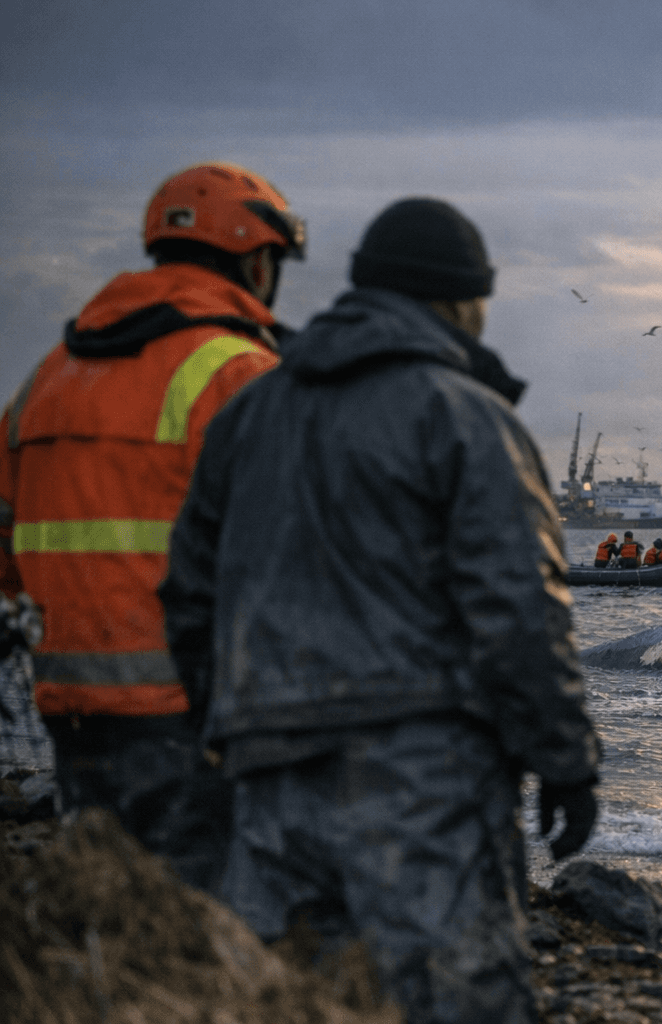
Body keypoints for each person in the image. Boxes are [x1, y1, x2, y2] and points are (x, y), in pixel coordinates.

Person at [159, 197, 600, 1024]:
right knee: (453, 1002)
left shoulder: (248, 415)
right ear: (462, 300)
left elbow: (188, 597)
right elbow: (519, 613)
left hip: (269, 777)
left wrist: (227, 723)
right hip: (422, 778)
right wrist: (566, 759)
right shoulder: (466, 417)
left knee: (297, 1000)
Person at [0, 162, 302, 890]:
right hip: (194, 709)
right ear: (257, 260)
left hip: (67, 707)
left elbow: (8, 560)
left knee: (113, 903)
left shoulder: (46, 379)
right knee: (203, 918)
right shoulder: (239, 374)